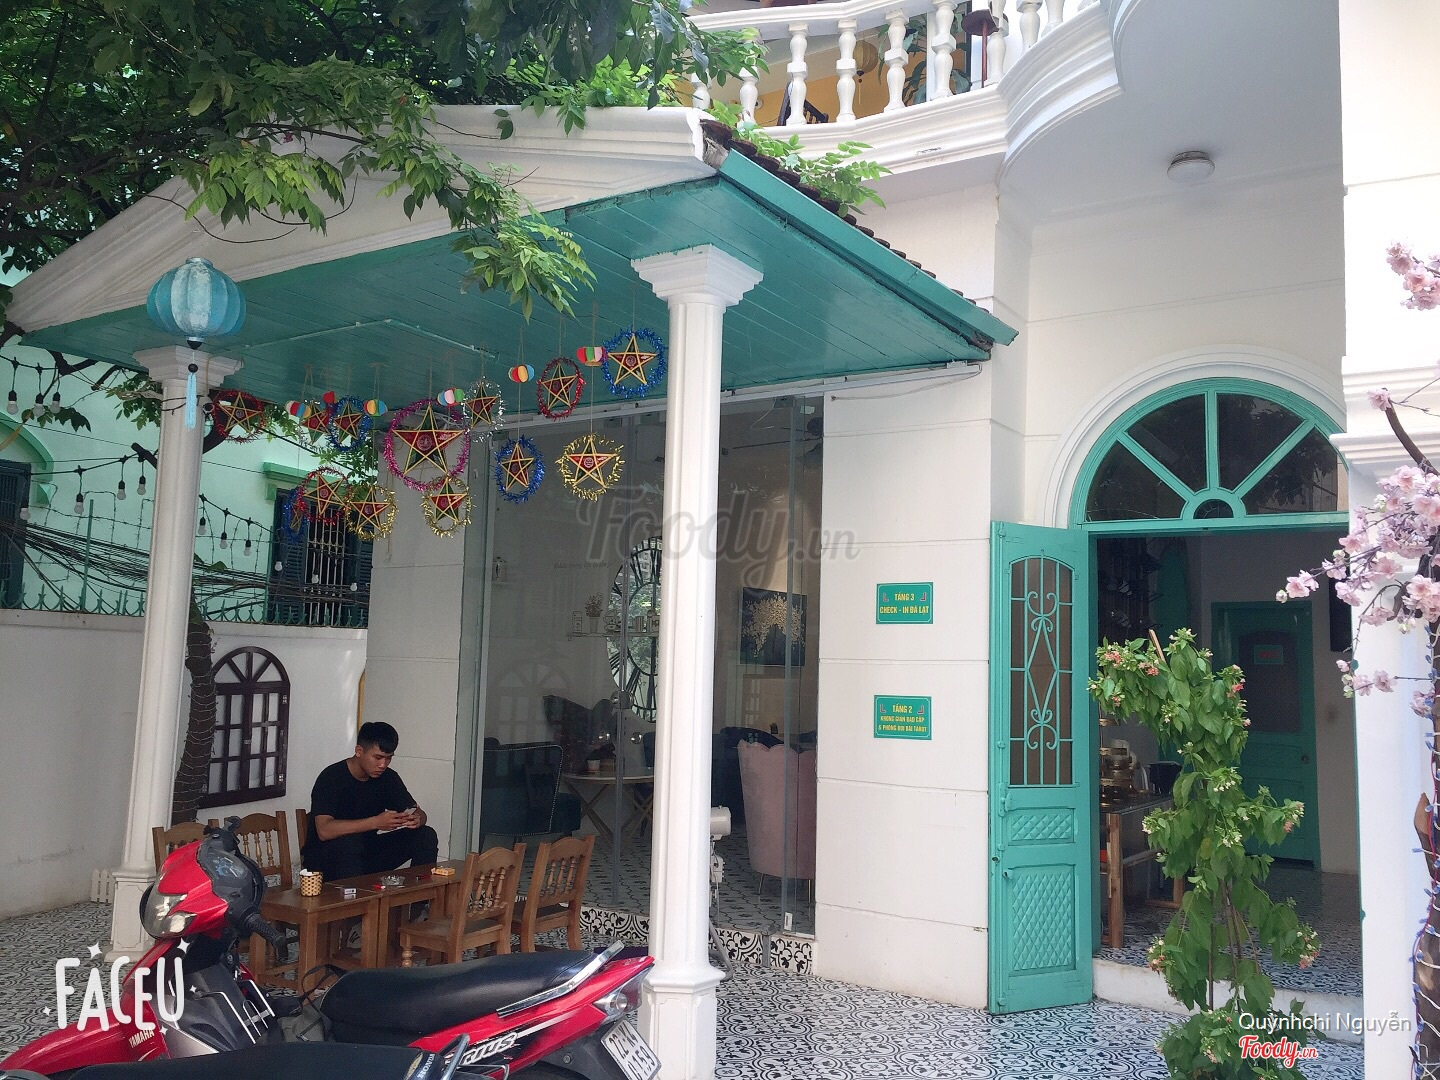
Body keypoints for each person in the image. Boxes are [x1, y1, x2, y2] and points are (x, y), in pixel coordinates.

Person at [302, 721, 439, 879]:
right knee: (349, 844)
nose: (383, 764)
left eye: (388, 758)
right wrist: (376, 822)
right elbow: (324, 831)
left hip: (367, 852)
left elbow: (418, 812)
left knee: (426, 836)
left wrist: (417, 819)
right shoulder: (332, 777)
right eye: (378, 757)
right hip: (328, 857)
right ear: (359, 751)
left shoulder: (388, 778)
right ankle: (355, 896)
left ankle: (420, 894)